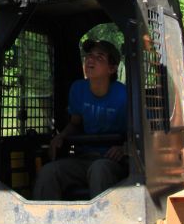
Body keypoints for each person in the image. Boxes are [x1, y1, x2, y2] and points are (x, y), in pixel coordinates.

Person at [33, 39, 128, 200]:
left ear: (111, 68)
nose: (90, 59)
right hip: (84, 158)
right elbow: (75, 123)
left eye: (99, 57)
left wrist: (125, 148)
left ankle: (101, 216)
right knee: (48, 172)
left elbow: (140, 130)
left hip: (112, 162)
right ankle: (43, 216)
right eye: (89, 55)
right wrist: (61, 136)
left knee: (99, 169)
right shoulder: (78, 89)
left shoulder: (124, 95)